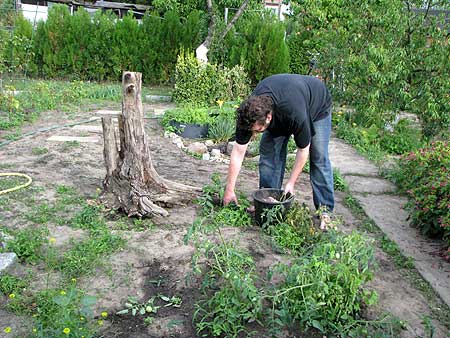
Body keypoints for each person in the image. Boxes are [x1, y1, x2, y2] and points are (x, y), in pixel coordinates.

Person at [223, 74, 334, 229]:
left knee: (319, 158)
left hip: (317, 105)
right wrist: (229, 190)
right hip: (287, 99)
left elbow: (303, 150)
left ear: (268, 118)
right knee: (269, 156)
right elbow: (238, 152)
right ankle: (267, 202)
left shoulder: (295, 114)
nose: (254, 135)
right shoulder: (249, 114)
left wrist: (291, 183)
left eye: (257, 131)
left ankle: (325, 211)